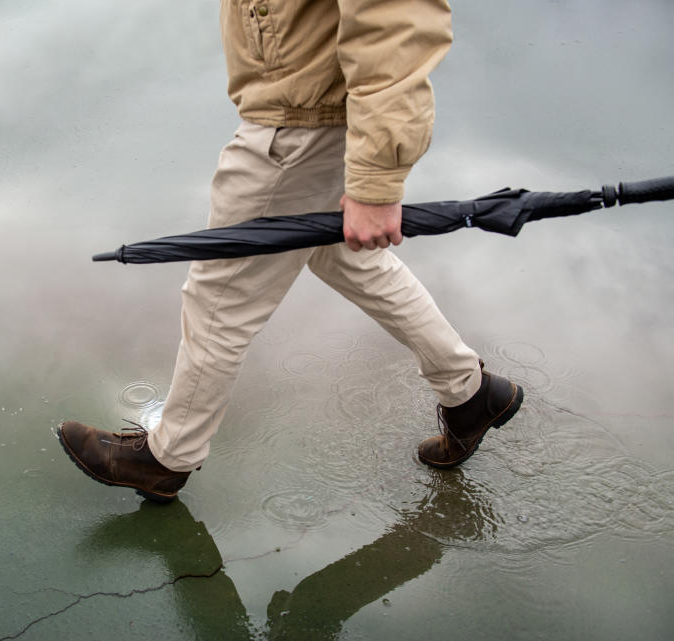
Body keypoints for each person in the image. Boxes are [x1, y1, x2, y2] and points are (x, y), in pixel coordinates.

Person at [58, 0, 523, 503]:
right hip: (302, 107)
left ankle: (167, 458)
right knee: (345, 258)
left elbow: (395, 16)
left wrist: (376, 181)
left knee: (219, 299)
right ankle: (470, 392)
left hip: (298, 130)